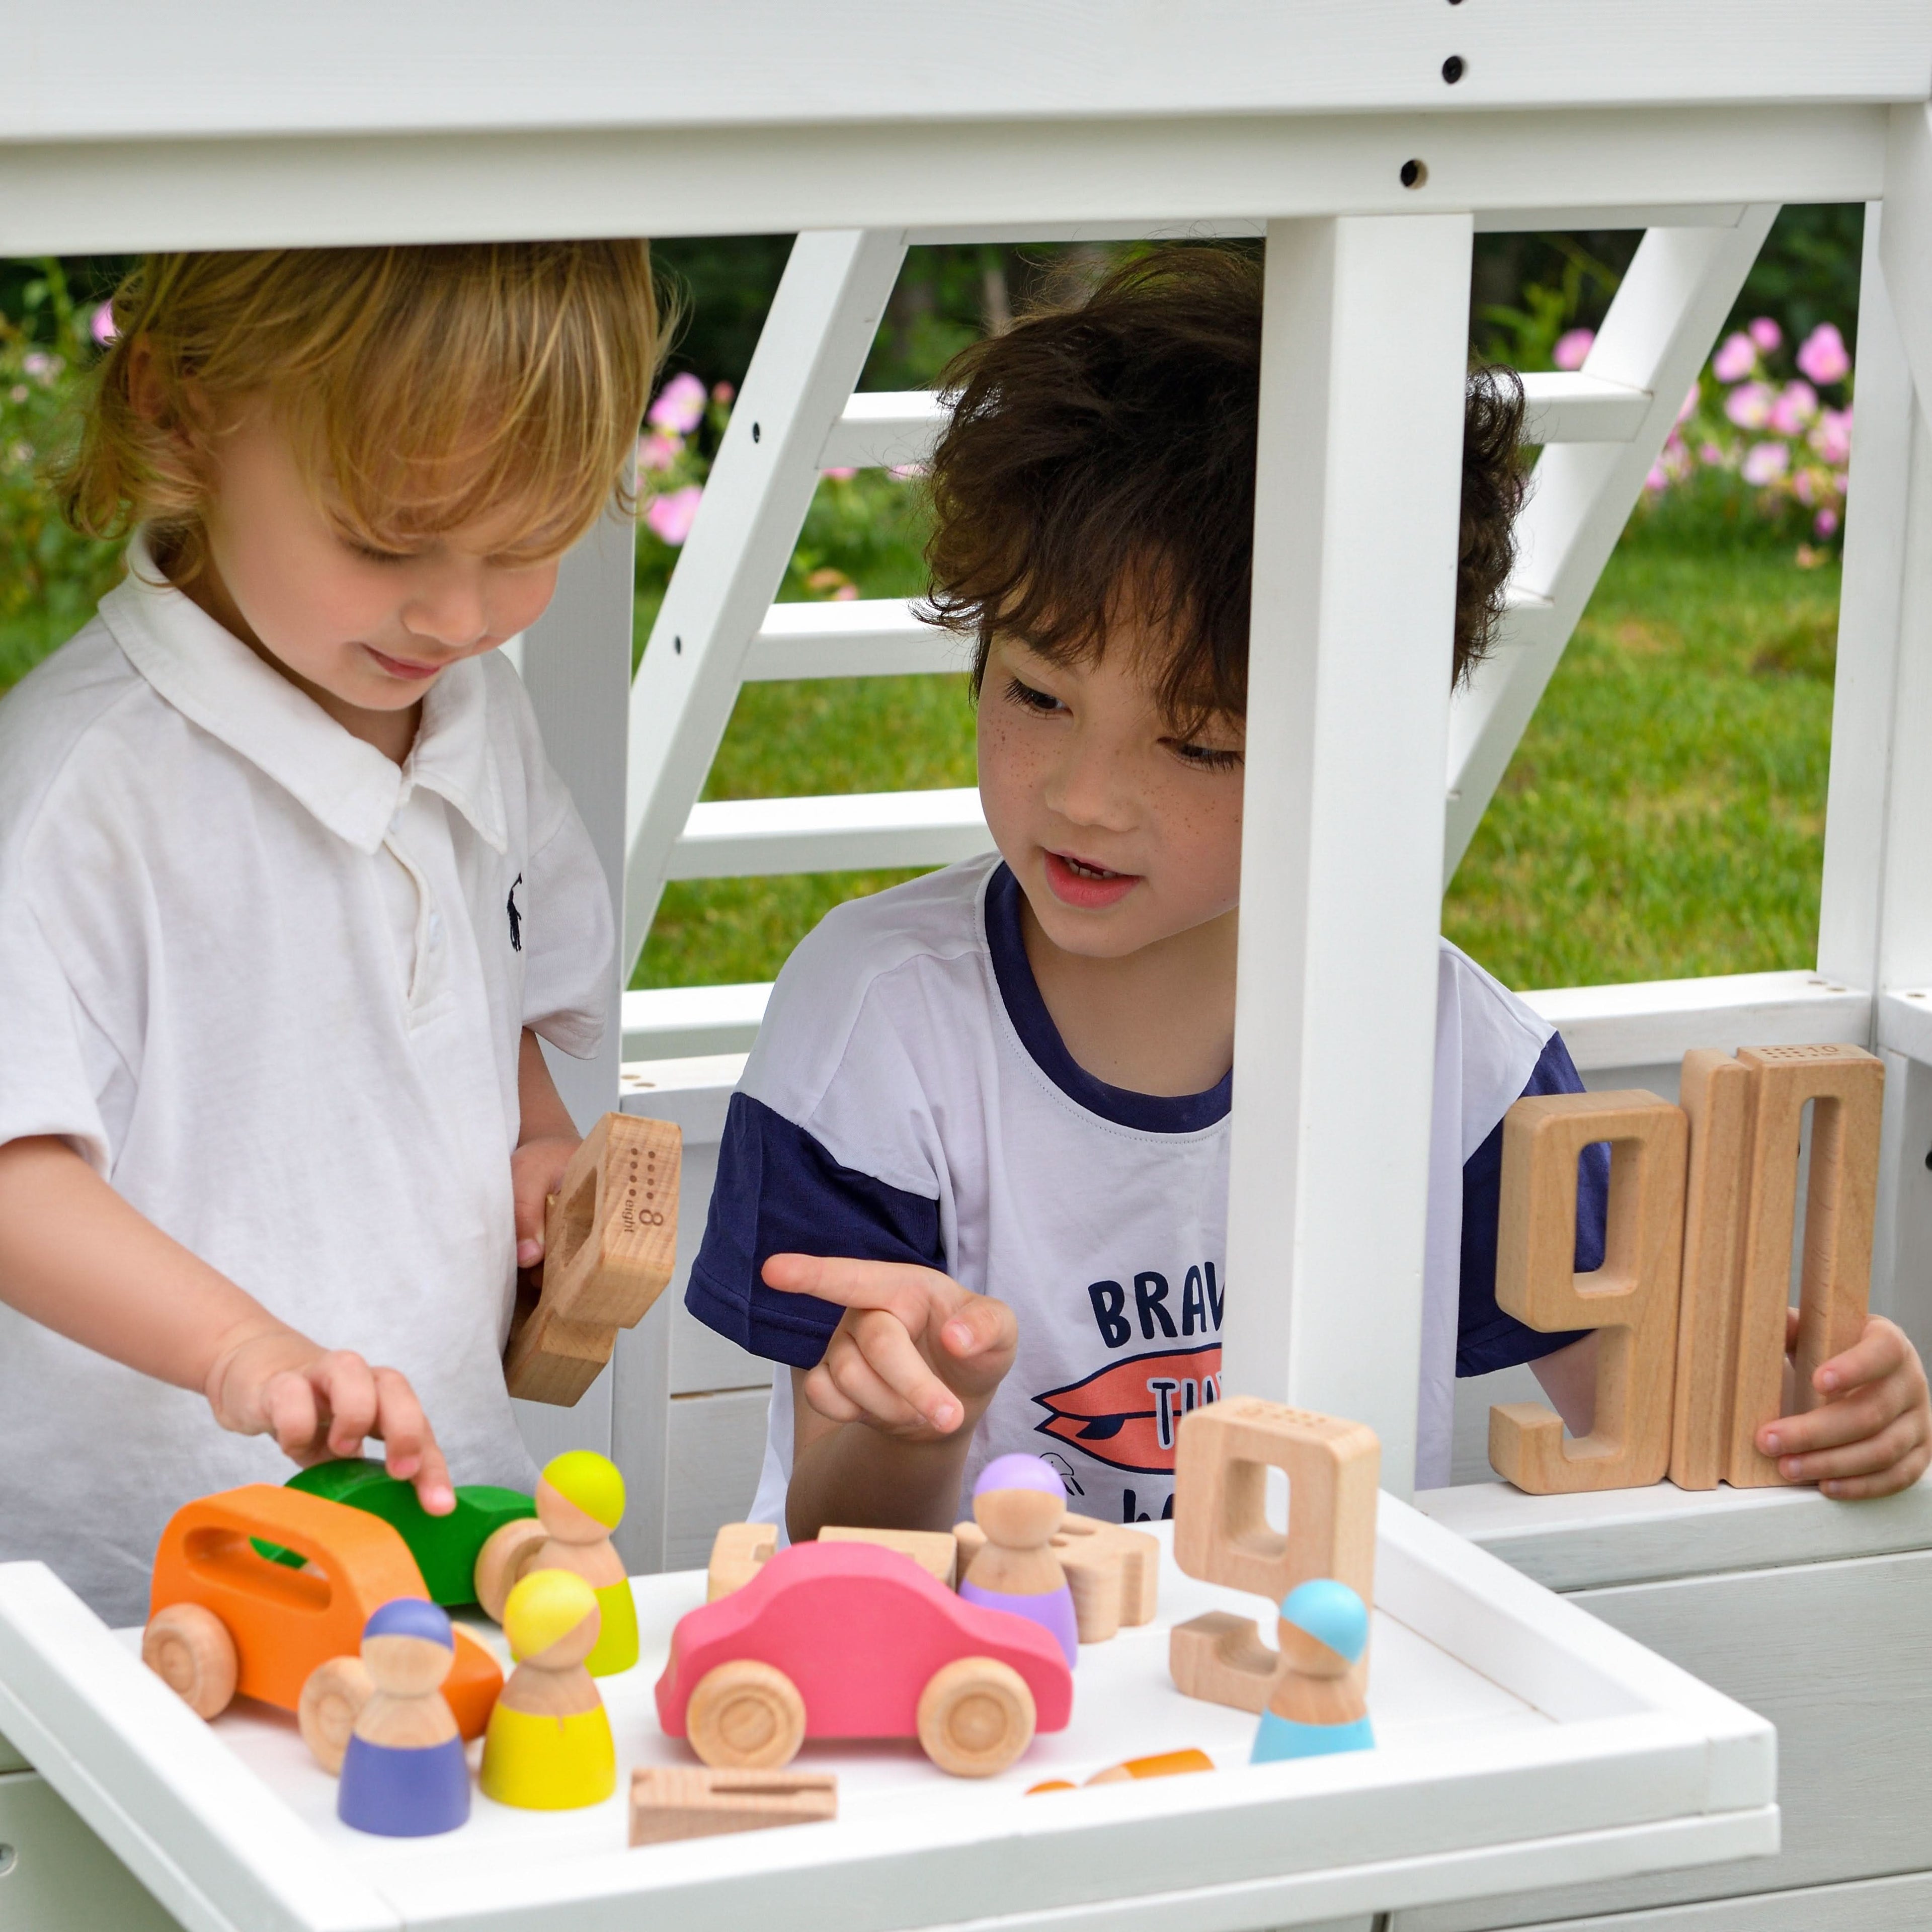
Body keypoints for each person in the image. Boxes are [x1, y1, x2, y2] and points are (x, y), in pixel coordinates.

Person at [684, 248, 1930, 1539]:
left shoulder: (1457, 1059)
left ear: (1362, 738)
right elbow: (838, 1543)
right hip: (1006, 1708)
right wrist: (915, 1414)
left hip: (1343, 1704)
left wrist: (1812, 1403)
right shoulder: (876, 1028)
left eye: (1201, 743)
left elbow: (1666, 1412)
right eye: (1039, 696)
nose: (1086, 797)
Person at [0, 243, 659, 1625]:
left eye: (526, 544)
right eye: (386, 542)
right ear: (184, 417)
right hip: (148, 1572)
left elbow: (503, 999)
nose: (461, 612)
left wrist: (539, 1150)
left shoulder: (482, 716)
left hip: (430, 1509)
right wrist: (239, 1344)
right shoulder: (78, 793)